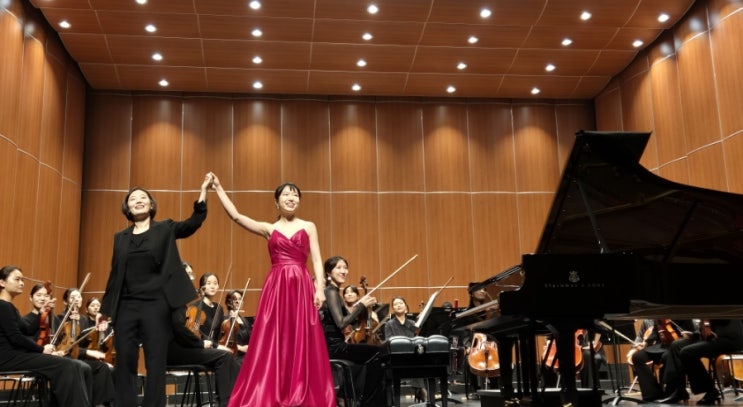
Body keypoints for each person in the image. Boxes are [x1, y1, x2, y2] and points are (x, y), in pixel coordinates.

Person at [209, 174, 335, 407]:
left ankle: (301, 390)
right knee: (275, 337)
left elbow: (317, 260)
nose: (291, 198)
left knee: (301, 336)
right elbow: (236, 216)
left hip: (301, 284)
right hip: (276, 286)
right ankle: (273, 390)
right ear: (276, 202)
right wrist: (218, 188)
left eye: (295, 195)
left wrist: (320, 289)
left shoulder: (309, 226)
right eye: (286, 194)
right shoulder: (269, 228)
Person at [101, 175, 211, 407]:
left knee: (155, 360)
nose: (138, 201)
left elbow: (192, 223)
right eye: (133, 199)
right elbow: (114, 274)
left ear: (151, 205)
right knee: (125, 360)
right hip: (126, 305)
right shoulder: (120, 238)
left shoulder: (165, 228)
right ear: (127, 208)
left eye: (143, 197)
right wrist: (105, 310)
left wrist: (203, 192)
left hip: (157, 304)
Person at [0, 265, 93, 406]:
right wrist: (42, 349)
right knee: (66, 365)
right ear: (2, 282)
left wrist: (42, 312)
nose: (22, 283)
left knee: (70, 365)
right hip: (7, 358)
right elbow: (16, 337)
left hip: (14, 356)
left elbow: (28, 329)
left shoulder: (9, 307)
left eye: (22, 280)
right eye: (17, 279)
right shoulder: (3, 306)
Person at [320, 255, 386, 406]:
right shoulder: (331, 291)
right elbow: (341, 322)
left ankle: (363, 398)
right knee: (378, 353)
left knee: (374, 354)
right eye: (339, 267)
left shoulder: (334, 292)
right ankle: (368, 402)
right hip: (334, 347)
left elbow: (345, 321)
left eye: (345, 267)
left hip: (336, 345)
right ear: (329, 272)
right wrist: (361, 306)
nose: (344, 271)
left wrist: (363, 311)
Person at [170, 299, 241, 407]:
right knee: (224, 356)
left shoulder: (181, 306)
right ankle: (226, 404)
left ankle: (236, 399)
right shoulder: (174, 307)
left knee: (232, 359)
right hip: (176, 352)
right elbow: (181, 332)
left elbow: (196, 332)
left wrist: (217, 346)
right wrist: (201, 343)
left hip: (186, 348)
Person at [57, 288, 116, 407]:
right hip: (66, 356)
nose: (76, 299)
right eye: (72, 297)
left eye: (78, 297)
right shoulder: (61, 318)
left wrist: (100, 332)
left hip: (79, 355)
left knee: (104, 367)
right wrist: (89, 352)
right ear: (66, 301)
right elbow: (63, 345)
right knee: (94, 367)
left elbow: (84, 344)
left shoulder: (83, 319)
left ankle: (102, 404)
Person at [677, 319, 743, 404]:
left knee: (687, 352)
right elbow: (709, 331)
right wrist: (696, 334)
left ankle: (710, 391)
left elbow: (723, 320)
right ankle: (677, 390)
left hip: (731, 340)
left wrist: (707, 318)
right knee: (679, 347)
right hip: (720, 338)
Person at [384, 295, 428, 402]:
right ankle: (420, 390)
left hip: (411, 355)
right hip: (397, 356)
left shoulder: (412, 324)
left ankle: (420, 390)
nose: (398, 305)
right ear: (393, 308)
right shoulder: (389, 324)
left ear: (406, 307)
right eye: (395, 304)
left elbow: (417, 340)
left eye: (401, 303)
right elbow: (389, 342)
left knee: (420, 359)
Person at [187, 272, 227, 346]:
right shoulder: (195, 307)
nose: (212, 286)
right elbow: (193, 331)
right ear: (202, 287)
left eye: (215, 283)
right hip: (200, 345)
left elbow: (220, 333)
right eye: (208, 283)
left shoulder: (219, 308)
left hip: (215, 346)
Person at [223, 289, 252, 363]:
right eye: (234, 299)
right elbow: (224, 342)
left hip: (246, 354)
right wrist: (241, 348)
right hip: (235, 356)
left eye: (240, 299)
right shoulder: (225, 320)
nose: (237, 301)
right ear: (228, 302)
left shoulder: (244, 320)